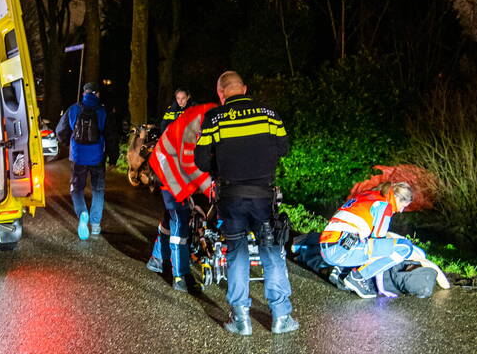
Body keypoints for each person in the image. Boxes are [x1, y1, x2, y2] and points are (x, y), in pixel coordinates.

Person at [194, 71, 298, 335]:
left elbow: (202, 161)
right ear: (244, 88)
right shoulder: (269, 115)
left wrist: (223, 161)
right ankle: (281, 316)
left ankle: (241, 319)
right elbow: (283, 148)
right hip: (263, 196)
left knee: (237, 253)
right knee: (271, 252)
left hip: (231, 198)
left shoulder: (214, 118)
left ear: (221, 93)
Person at [318, 182, 450, 298]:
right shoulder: (384, 206)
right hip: (340, 250)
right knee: (405, 247)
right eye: (403, 206)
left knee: (370, 242)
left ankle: (341, 271)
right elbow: (379, 249)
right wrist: (380, 287)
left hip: (327, 247)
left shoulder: (368, 195)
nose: (401, 211)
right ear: (397, 198)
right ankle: (357, 278)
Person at [144, 101, 218, 291]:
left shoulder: (205, 118)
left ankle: (157, 259)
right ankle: (180, 276)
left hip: (171, 163)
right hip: (169, 167)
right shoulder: (199, 124)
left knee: (171, 217)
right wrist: (208, 189)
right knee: (180, 220)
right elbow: (189, 162)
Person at [56, 82, 117, 240]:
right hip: (97, 157)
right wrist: (113, 157)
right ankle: (96, 225)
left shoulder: (74, 109)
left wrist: (68, 144)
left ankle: (83, 212)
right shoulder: (102, 111)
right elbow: (111, 136)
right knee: (98, 190)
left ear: (84, 94)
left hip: (78, 157)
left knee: (76, 189)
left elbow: (60, 131)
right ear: (96, 94)